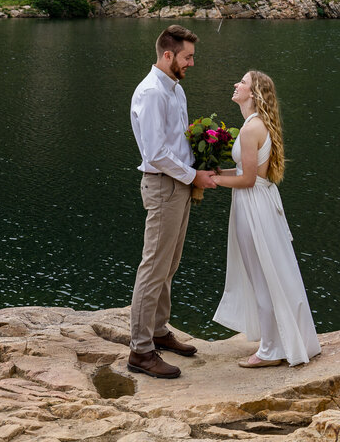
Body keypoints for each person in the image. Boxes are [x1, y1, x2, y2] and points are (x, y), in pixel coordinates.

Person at [128, 25, 219, 379]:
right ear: (168, 55)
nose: (191, 63)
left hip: (178, 184)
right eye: (187, 57)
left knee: (169, 264)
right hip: (164, 185)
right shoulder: (152, 92)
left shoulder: (174, 89)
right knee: (153, 267)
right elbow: (155, 153)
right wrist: (193, 176)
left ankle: (159, 330)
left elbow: (176, 144)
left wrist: (202, 160)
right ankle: (140, 350)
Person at [212, 70, 320, 367]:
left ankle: (271, 350)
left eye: (242, 82)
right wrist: (214, 173)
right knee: (270, 271)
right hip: (258, 202)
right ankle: (279, 340)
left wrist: (212, 181)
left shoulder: (250, 130)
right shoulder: (257, 124)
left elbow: (247, 179)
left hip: (252, 207)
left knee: (261, 275)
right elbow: (249, 173)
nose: (236, 84)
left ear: (254, 93)